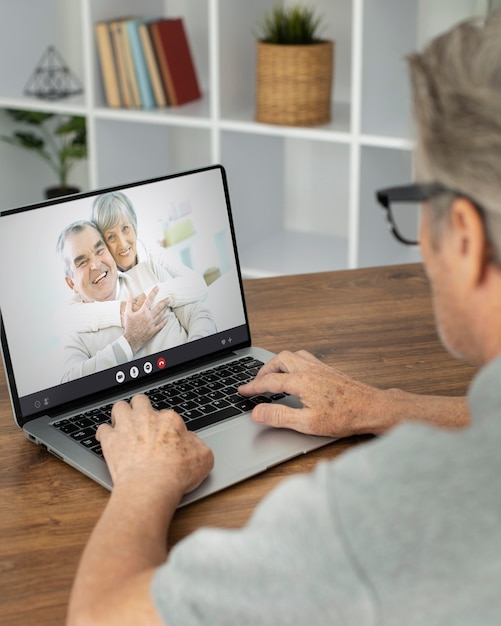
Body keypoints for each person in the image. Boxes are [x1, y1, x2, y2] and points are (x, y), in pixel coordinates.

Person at [67, 12, 501, 625]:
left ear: (463, 235)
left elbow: (101, 617)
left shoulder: (366, 522)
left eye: (418, 204)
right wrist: (387, 405)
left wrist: (142, 482)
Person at [57, 220, 216, 382]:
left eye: (99, 250)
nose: (96, 265)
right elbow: (69, 383)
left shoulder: (150, 271)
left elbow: (199, 315)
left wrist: (194, 362)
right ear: (71, 283)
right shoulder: (75, 331)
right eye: (82, 262)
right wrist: (130, 341)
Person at [63, 190, 208, 334]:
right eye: (111, 237)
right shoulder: (104, 280)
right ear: (103, 242)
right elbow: (68, 316)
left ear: (134, 226)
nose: (122, 243)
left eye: (125, 228)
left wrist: (151, 296)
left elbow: (198, 285)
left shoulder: (152, 255)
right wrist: (123, 310)